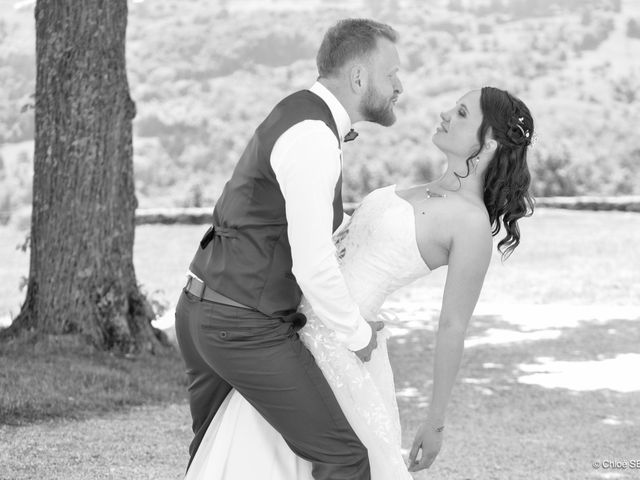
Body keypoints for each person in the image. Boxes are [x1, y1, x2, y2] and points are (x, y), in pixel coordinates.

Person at [184, 86, 535, 479]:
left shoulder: (469, 223)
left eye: (463, 113)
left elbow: (453, 326)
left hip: (345, 348)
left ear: (487, 145)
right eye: (454, 106)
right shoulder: (415, 187)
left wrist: (435, 423)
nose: (447, 113)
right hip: (288, 326)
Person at [175, 18, 403, 480]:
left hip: (204, 306)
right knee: (344, 458)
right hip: (242, 325)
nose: (400, 85)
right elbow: (313, 263)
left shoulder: (299, 114)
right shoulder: (313, 137)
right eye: (392, 73)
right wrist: (357, 337)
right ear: (358, 78)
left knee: (215, 458)